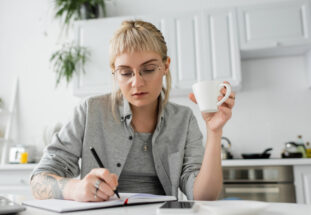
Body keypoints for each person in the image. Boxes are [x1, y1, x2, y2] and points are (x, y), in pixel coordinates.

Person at [30, 20, 235, 202]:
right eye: (125, 72)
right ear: (114, 73)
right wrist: (75, 188)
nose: (137, 82)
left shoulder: (184, 119)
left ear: (165, 66)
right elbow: (38, 180)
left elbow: (203, 197)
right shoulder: (90, 111)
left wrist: (214, 132)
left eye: (148, 69)